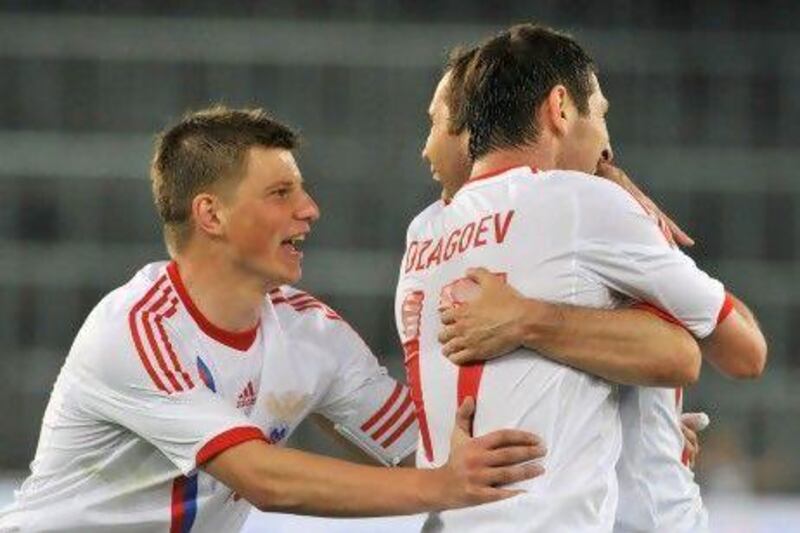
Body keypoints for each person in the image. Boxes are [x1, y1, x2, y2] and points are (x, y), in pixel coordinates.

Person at [0, 107, 547, 533]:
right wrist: (442, 486)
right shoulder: (138, 329)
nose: (310, 209)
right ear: (211, 214)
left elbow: (420, 447)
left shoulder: (313, 333)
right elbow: (260, 478)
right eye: (281, 193)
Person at [395, 24, 766, 532]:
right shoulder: (583, 204)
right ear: (561, 107)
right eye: (603, 114)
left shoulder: (424, 234)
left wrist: (645, 424)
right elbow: (738, 353)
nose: (607, 138)